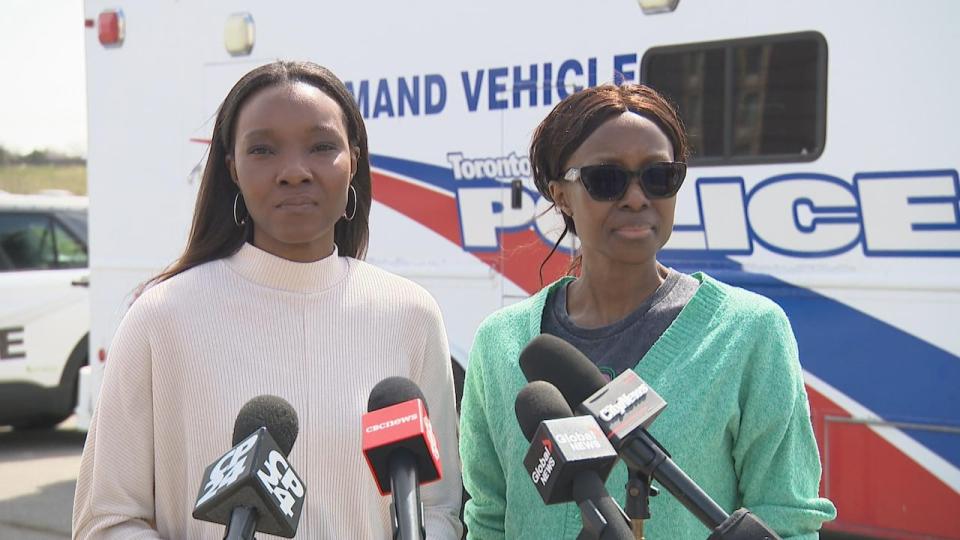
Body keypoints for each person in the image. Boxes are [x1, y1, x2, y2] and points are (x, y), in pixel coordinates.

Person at [72, 61, 463, 539]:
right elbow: (109, 518)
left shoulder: (411, 314)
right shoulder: (161, 318)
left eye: (321, 146)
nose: (294, 172)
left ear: (354, 161)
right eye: (263, 149)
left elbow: (438, 508)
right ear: (232, 168)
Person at [459, 83, 836, 539]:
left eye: (658, 176)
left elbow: (787, 521)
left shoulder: (750, 333)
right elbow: (488, 519)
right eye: (606, 179)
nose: (637, 197)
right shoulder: (499, 342)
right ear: (560, 195)